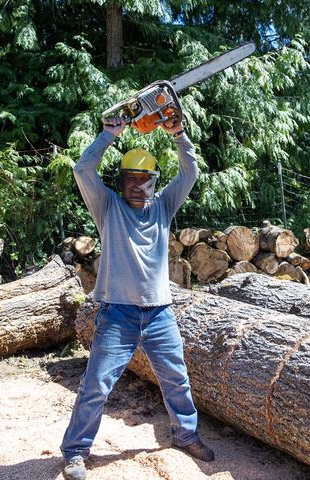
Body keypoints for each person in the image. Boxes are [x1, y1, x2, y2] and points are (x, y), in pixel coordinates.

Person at [60, 114, 213, 480]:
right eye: (131, 178)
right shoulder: (108, 207)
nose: (137, 186)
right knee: (96, 383)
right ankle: (76, 452)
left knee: (176, 379)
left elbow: (189, 173)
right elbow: (83, 169)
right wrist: (108, 135)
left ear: (154, 182)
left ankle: (185, 435)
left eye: (144, 179)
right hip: (117, 314)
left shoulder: (163, 206)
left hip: (160, 313)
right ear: (121, 180)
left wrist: (180, 135)